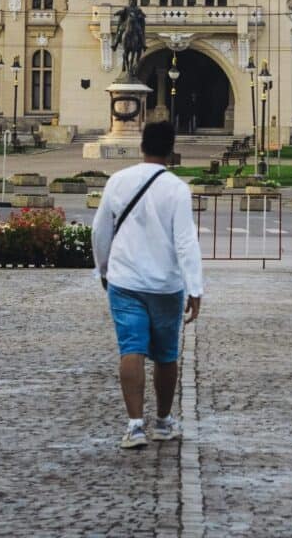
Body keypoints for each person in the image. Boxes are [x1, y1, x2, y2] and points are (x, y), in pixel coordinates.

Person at [89, 119, 202, 449]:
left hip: (124, 280)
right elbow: (185, 242)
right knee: (166, 355)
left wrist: (105, 270)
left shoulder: (118, 180)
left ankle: (135, 425)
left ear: (141, 146)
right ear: (171, 150)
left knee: (131, 348)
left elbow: (100, 231)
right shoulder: (177, 189)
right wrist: (195, 287)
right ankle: (163, 422)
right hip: (165, 284)